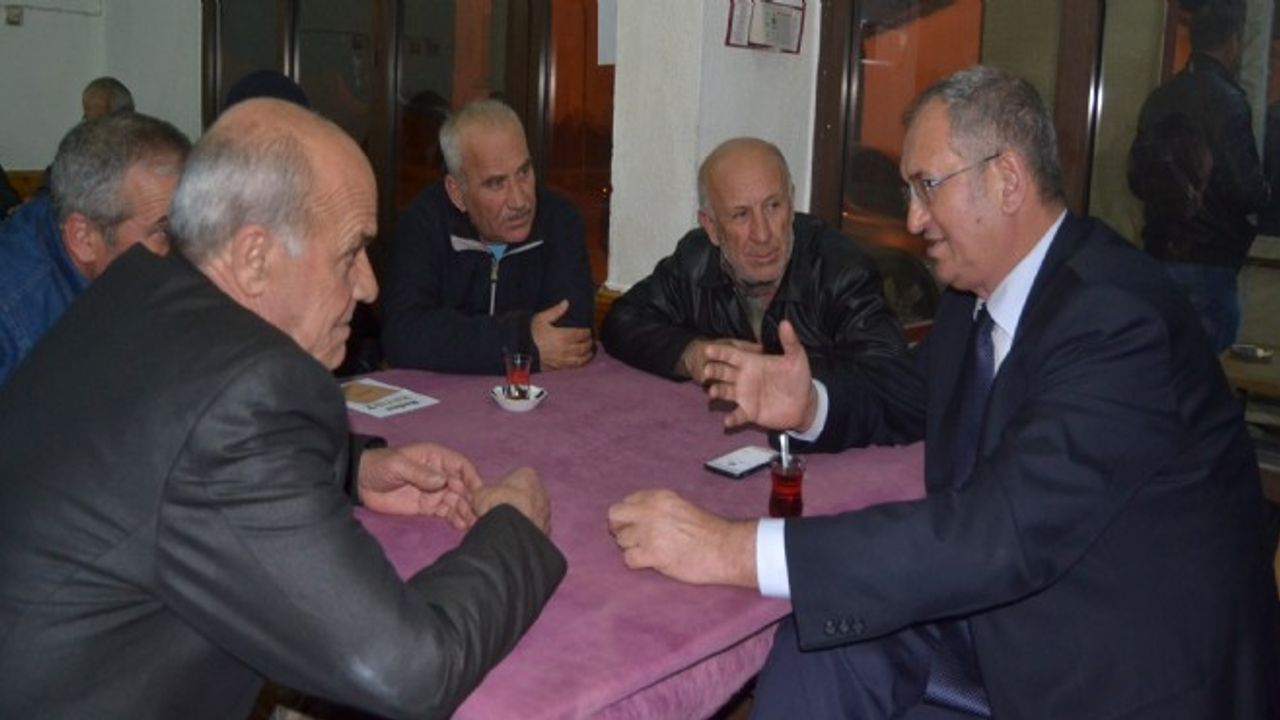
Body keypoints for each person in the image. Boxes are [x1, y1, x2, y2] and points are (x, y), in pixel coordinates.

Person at [608, 66, 1277, 719]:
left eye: (927, 186)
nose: (912, 218)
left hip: (1114, 661)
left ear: (1007, 178)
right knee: (822, 645)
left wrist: (733, 549)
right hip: (997, 610)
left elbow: (1000, 533)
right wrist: (809, 403)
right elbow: (904, 399)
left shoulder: (1119, 319)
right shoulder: (974, 299)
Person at [0, 98, 565, 719]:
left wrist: (355, 469)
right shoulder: (250, 393)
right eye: (350, 254)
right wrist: (511, 528)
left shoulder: (134, 294)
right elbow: (407, 669)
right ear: (254, 259)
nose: (370, 286)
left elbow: (160, 454)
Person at [601, 137, 924, 446]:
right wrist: (693, 355)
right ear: (711, 227)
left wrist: (786, 376)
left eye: (773, 206)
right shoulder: (696, 260)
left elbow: (891, 382)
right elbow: (623, 319)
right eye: (741, 215)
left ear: (791, 203)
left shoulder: (841, 270)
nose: (762, 234)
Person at [382, 98, 595, 375]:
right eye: (496, 183)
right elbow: (404, 334)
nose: (519, 201)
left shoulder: (559, 219)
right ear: (457, 193)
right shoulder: (424, 223)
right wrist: (520, 340)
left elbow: (572, 334)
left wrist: (462, 342)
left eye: (524, 172)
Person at [0, 111, 189, 385]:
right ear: (84, 238)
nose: (188, 247)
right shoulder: (13, 323)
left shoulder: (86, 218)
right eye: (164, 230)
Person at [1128, 4, 1269, 352]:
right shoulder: (1228, 101)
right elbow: (1245, 188)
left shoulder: (1161, 98)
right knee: (1206, 368)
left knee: (1163, 361)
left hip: (1160, 250)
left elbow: (1136, 178)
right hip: (1210, 257)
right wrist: (1264, 191)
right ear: (1233, 43)